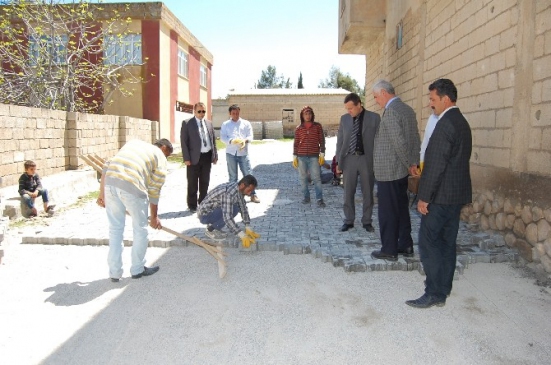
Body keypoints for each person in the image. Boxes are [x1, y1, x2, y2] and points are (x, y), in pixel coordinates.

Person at [406, 79, 472, 308]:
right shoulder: (461, 122)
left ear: (445, 99)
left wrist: (424, 197)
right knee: (446, 243)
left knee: (428, 243)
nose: (430, 104)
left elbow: (436, 166)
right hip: (455, 197)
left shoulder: (445, 124)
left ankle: (433, 292)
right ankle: (443, 290)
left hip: (441, 197)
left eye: (432, 99)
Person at [97, 138, 173, 282]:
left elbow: (107, 166)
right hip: (133, 186)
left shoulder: (133, 143)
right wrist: (154, 217)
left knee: (115, 230)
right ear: (163, 148)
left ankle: (114, 272)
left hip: (111, 183)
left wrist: (102, 194)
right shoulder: (160, 157)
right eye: (167, 154)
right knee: (140, 228)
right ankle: (137, 269)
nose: (166, 158)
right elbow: (154, 190)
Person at [370, 80, 421, 261]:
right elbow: (415, 139)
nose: (376, 101)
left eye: (376, 97)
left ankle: (389, 249)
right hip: (401, 172)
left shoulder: (391, 112)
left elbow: (399, 143)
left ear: (384, 92)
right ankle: (405, 244)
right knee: (401, 208)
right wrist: (414, 163)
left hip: (390, 171)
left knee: (388, 212)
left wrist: (409, 164)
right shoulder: (407, 110)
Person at [335, 92, 380, 232]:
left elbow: (379, 141)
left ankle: (367, 221)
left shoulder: (374, 118)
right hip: (349, 159)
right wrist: (339, 162)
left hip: (367, 159)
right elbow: (340, 142)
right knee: (348, 192)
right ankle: (348, 220)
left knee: (368, 192)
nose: (348, 111)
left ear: (359, 104)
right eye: (346, 109)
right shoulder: (344, 119)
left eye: (351, 108)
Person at [197, 175, 261, 248]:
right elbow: (227, 217)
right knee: (233, 209)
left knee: (235, 207)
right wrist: (241, 234)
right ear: (243, 185)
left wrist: (247, 225)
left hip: (214, 209)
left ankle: (214, 226)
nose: (249, 194)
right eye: (249, 190)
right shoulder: (228, 193)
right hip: (204, 215)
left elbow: (243, 206)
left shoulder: (238, 188)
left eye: (251, 191)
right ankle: (210, 230)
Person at [180, 102, 218, 213]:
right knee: (192, 182)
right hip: (193, 158)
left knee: (205, 181)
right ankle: (192, 205)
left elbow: (213, 141)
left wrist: (214, 155)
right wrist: (186, 158)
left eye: (203, 111)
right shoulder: (187, 123)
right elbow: (184, 142)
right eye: (199, 111)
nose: (202, 114)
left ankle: (203, 203)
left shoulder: (209, 123)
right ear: (194, 111)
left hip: (207, 156)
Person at [220, 104, 260, 203]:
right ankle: (233, 197)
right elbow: (223, 137)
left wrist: (244, 141)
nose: (236, 115)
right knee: (233, 176)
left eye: (237, 113)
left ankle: (253, 194)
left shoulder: (246, 123)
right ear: (230, 113)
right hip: (231, 153)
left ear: (239, 112)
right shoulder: (225, 124)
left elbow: (250, 136)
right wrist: (232, 141)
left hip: (243, 154)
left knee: (248, 174)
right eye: (233, 113)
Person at [292, 106, 326, 207]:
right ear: (302, 116)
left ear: (312, 115)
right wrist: (294, 156)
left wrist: (322, 153)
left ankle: (319, 199)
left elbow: (322, 140)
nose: (308, 116)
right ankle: (306, 197)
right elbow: (296, 143)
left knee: (316, 178)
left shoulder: (317, 126)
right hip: (301, 157)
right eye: (306, 114)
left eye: (309, 113)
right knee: (303, 178)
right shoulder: (299, 128)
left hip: (314, 157)